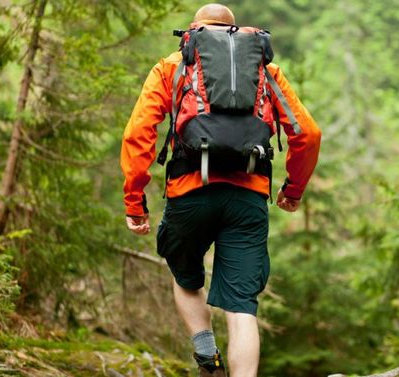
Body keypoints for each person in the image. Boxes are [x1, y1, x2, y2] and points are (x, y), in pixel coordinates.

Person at [120, 4, 321, 377]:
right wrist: (293, 189)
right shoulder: (264, 69)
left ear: (194, 29)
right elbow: (307, 134)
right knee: (242, 306)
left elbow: (138, 135)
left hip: (188, 192)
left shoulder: (173, 65)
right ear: (235, 29)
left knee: (185, 275)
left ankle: (205, 352)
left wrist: (135, 203)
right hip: (247, 198)